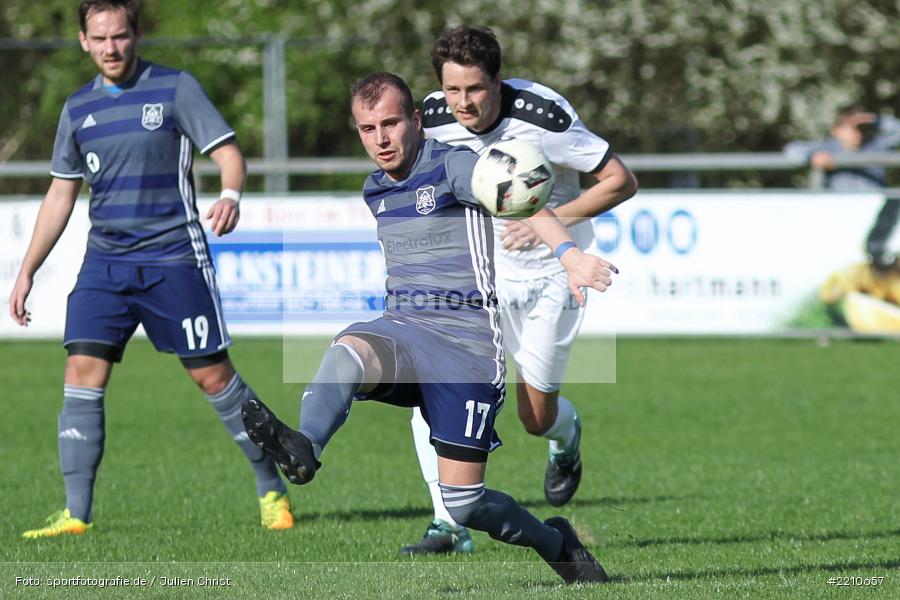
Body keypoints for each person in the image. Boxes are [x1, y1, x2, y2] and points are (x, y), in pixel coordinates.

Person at [241, 72, 616, 584]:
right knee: (351, 346)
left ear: (416, 120)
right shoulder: (375, 188)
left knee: (464, 505)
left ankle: (557, 543)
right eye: (367, 128)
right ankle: (304, 445)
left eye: (391, 123)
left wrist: (569, 254)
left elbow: (523, 197)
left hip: (468, 352)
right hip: (406, 330)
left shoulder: (454, 165)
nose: (381, 138)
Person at [9, 0, 292, 538]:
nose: (111, 48)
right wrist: (27, 271)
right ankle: (76, 514)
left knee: (213, 377)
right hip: (105, 266)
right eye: (100, 39)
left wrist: (231, 193)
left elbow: (229, 153)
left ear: (135, 35)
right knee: (81, 374)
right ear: (83, 42)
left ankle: (270, 486)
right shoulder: (76, 110)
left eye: (120, 36)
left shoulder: (175, 88)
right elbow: (60, 194)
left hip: (174, 259)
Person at [400, 25, 638, 554]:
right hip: (478, 274)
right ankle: (447, 524)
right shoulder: (433, 116)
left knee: (536, 416)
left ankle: (566, 440)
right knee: (432, 389)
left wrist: (543, 222)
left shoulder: (544, 114)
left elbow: (621, 181)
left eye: (475, 90)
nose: (462, 102)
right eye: (453, 89)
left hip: (553, 274)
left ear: (497, 82)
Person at [784, 105, 900, 269]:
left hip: (875, 215)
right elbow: (791, 150)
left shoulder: (874, 145)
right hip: (841, 220)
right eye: (851, 128)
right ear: (836, 130)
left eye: (861, 128)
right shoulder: (828, 148)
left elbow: (897, 132)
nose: (857, 133)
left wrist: (875, 119)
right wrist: (812, 157)